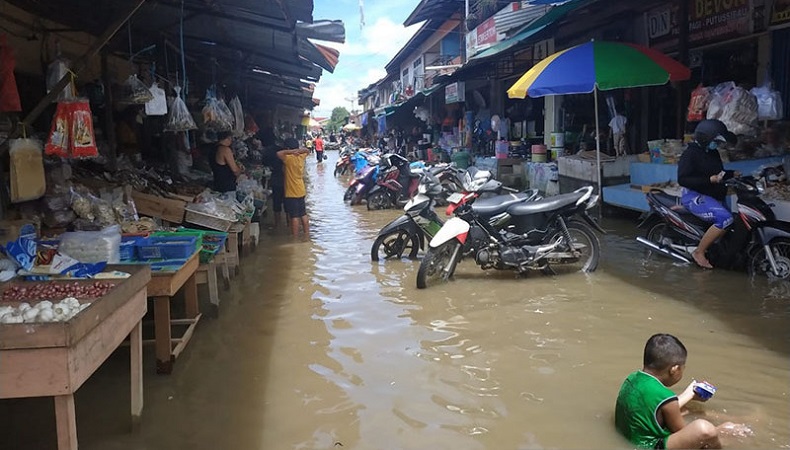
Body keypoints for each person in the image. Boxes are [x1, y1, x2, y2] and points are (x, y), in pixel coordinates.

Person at [615, 333, 733, 449]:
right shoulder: (667, 398)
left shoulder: (632, 378)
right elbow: (683, 432)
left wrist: (690, 393)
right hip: (650, 446)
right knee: (705, 430)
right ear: (674, 369)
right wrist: (719, 431)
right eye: (682, 368)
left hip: (632, 437)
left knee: (687, 409)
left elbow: (657, 405)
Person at [677, 119, 738, 269]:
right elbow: (683, 179)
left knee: (733, 221)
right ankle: (699, 252)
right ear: (706, 138)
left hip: (713, 195)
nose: (716, 144)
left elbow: (719, 173)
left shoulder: (712, 152)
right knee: (725, 218)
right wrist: (709, 180)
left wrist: (732, 174)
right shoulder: (690, 154)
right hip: (694, 196)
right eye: (715, 141)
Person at [277, 137, 310, 238]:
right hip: (301, 189)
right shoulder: (301, 157)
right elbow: (307, 150)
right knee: (303, 214)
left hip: (292, 191)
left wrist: (291, 151)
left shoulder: (288, 158)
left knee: (294, 216)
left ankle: (295, 238)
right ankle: (306, 234)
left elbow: (279, 153)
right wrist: (297, 150)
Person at [262, 143, 286, 229]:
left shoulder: (272, 159)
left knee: (276, 204)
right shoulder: (286, 158)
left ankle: (277, 225)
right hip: (286, 183)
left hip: (276, 182)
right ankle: (289, 225)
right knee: (287, 206)